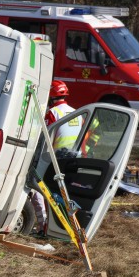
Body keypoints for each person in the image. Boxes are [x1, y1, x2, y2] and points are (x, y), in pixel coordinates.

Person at [31, 79, 83, 235]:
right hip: (74, 160)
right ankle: (66, 227)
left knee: (39, 190)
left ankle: (44, 227)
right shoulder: (78, 113)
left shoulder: (52, 113)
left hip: (55, 161)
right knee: (66, 195)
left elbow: (44, 138)